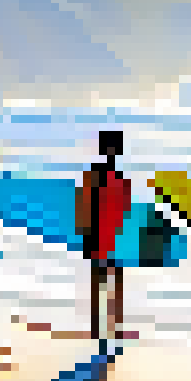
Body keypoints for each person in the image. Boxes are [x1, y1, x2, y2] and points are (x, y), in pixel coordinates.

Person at [76, 130, 132, 343]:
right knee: (107, 281)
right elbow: (123, 211)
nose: (112, 153)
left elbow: (123, 211)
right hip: (105, 234)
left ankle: (105, 325)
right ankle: (108, 325)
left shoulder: (110, 178)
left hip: (107, 234)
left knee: (105, 281)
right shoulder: (115, 179)